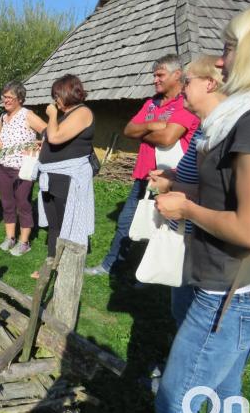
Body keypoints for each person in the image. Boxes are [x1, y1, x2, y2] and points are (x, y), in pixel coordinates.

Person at [153, 0, 250, 413]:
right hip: (242, 285)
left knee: (177, 403)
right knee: (226, 393)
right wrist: (191, 190)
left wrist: (186, 207)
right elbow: (239, 197)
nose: (221, 61)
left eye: (229, 48)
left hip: (233, 290)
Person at [84, 54, 199, 277]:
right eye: (154, 75)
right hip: (143, 176)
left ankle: (152, 275)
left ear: (177, 75)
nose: (155, 80)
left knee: (164, 228)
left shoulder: (184, 104)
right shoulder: (151, 103)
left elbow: (168, 139)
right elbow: (128, 130)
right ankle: (111, 266)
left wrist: (144, 131)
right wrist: (155, 124)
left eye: (160, 75)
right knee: (126, 222)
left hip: (169, 179)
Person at [147, 55, 226, 328]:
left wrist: (170, 186)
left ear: (211, 85)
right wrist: (173, 175)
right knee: (180, 310)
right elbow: (197, 176)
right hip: (186, 232)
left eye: (188, 81)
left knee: (191, 316)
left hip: (202, 240)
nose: (183, 89)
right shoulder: (204, 129)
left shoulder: (223, 133)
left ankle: (179, 367)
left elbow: (217, 194)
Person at [35, 74, 95, 276]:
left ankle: (68, 267)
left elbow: (55, 136)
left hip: (67, 178)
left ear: (67, 93)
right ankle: (52, 263)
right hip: (51, 177)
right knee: (54, 225)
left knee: (66, 225)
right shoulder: (66, 115)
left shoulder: (82, 112)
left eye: (57, 95)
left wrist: (51, 115)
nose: (55, 101)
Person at [0, 81, 47, 256]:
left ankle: (24, 242)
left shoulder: (27, 115)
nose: (6, 100)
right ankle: (10, 237)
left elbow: (48, 131)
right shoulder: (3, 117)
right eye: (5, 97)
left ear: (20, 99)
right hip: (3, 167)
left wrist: (39, 145)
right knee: (7, 203)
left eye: (10, 97)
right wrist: (0, 145)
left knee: (23, 203)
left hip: (23, 168)